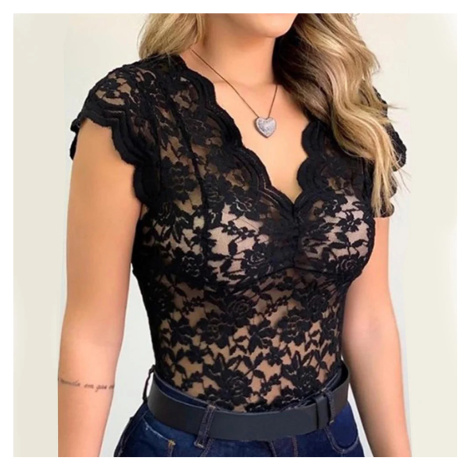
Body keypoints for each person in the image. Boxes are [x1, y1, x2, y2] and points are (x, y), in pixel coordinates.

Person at [58, 13, 411, 457]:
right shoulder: (135, 107)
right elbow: (92, 334)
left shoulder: (349, 107)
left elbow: (370, 321)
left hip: (334, 444)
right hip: (191, 448)